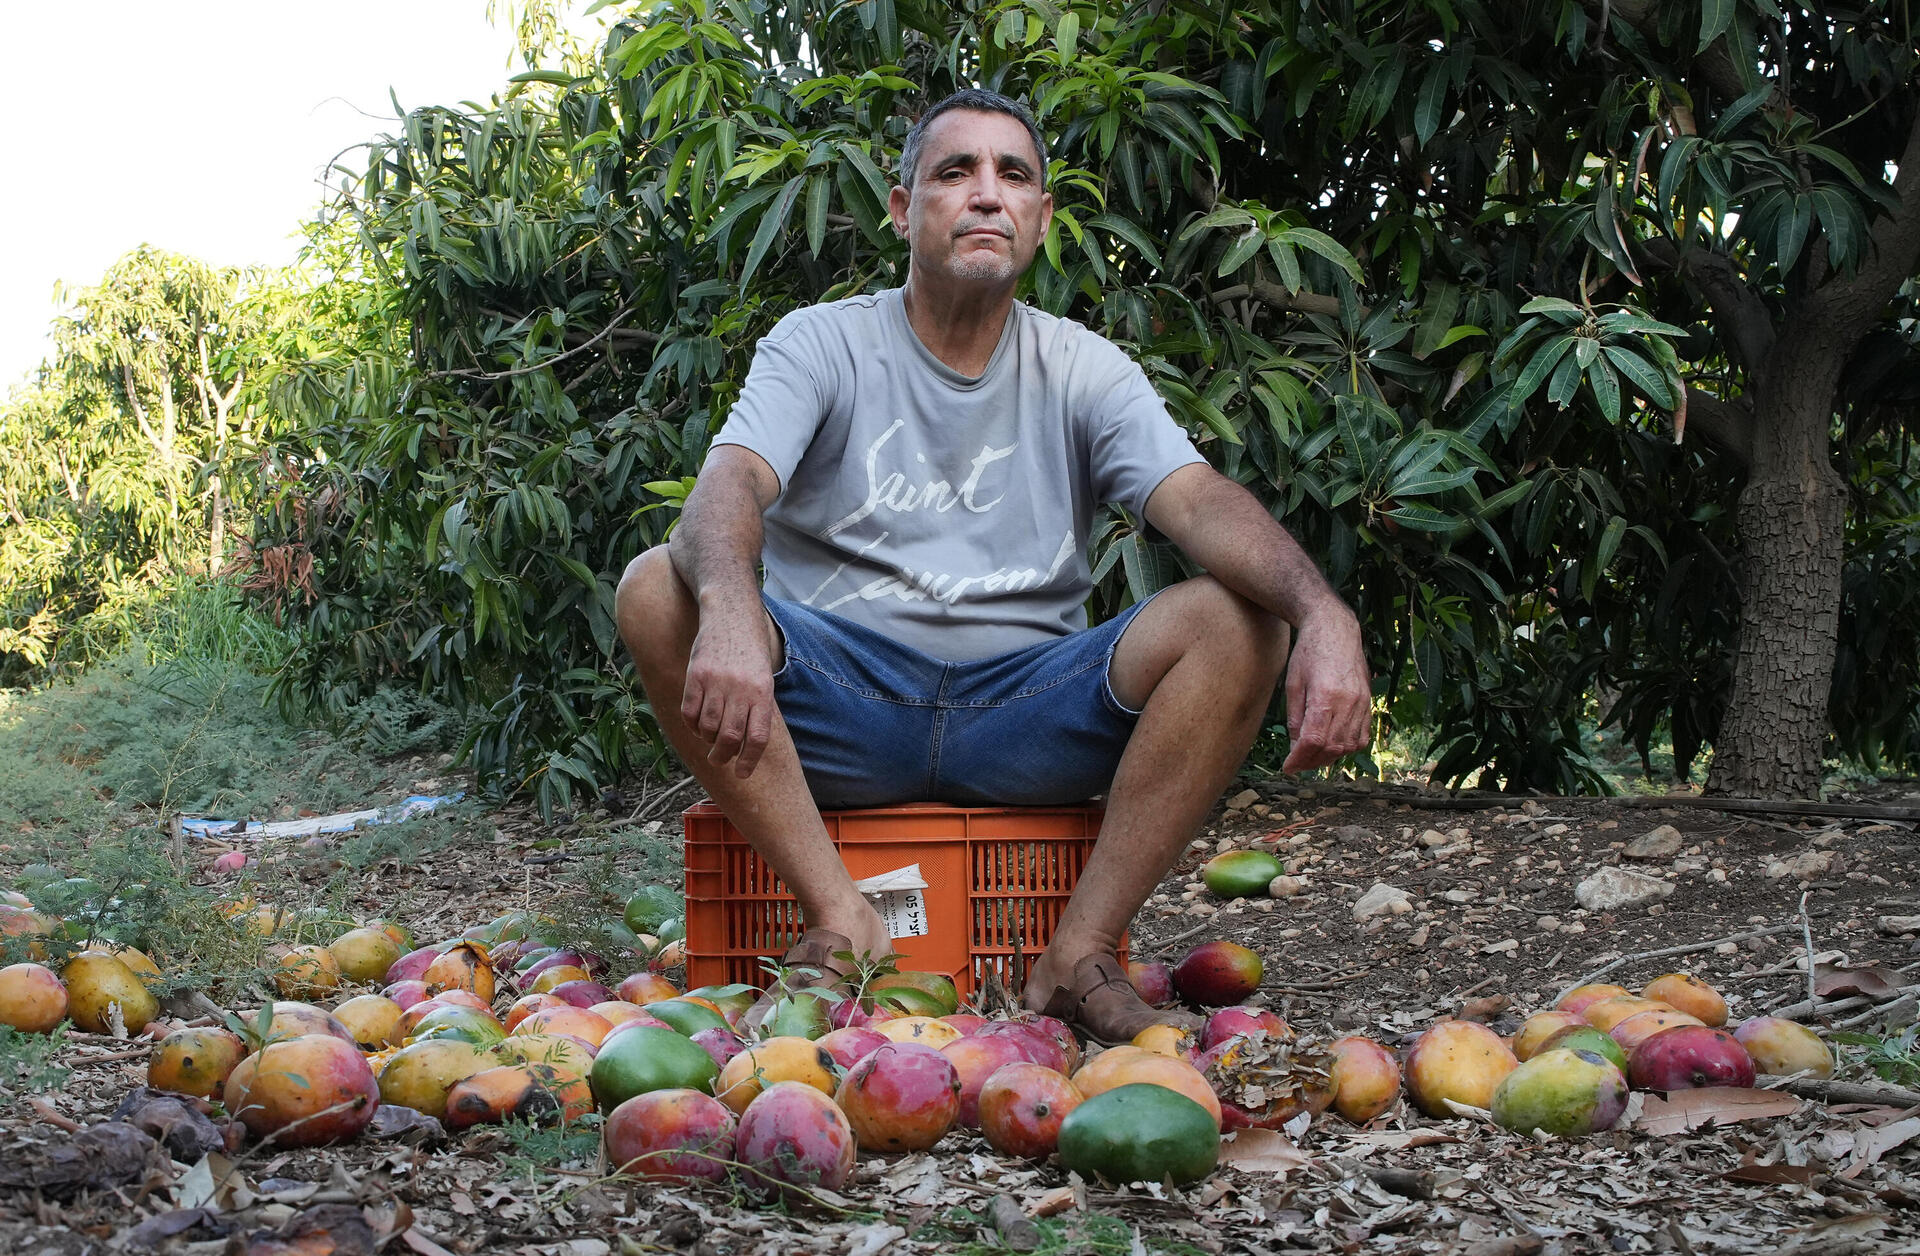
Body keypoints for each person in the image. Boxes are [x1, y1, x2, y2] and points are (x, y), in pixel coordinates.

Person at [616, 88, 1371, 1043]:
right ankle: (841, 918)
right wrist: (729, 610)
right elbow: (725, 489)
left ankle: (1077, 953)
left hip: (1025, 710)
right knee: (656, 586)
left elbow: (1199, 500)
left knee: (1239, 620)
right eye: (954, 172)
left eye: (1013, 175)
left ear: (1043, 218)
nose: (986, 194)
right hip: (840, 697)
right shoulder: (822, 343)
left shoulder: (1085, 367)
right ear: (903, 209)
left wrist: (1325, 613)